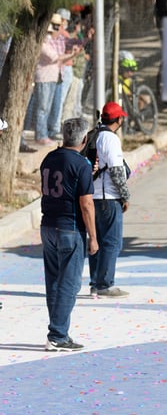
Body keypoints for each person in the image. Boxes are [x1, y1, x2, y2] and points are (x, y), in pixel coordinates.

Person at [39, 117, 99, 352]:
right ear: (84, 139)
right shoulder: (81, 164)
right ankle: (58, 334)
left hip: (48, 225)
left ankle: (57, 327)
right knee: (69, 283)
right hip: (70, 228)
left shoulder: (48, 158)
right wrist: (93, 237)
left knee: (53, 280)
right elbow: (86, 203)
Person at [87, 101, 131, 298]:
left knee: (96, 240)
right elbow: (116, 170)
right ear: (119, 119)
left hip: (92, 196)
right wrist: (124, 195)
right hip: (108, 197)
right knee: (111, 242)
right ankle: (105, 284)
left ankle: (96, 282)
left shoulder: (93, 135)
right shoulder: (110, 139)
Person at [24, 13, 81, 144]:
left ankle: (44, 134)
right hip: (43, 79)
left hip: (52, 78)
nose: (54, 32)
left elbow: (59, 59)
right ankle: (41, 136)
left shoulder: (49, 42)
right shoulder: (42, 44)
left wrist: (72, 55)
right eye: (53, 28)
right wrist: (71, 54)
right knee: (42, 109)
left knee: (47, 108)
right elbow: (54, 57)